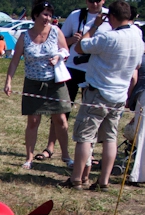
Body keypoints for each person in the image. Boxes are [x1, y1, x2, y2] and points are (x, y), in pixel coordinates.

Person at [66, 0, 143, 190]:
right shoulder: (137, 36)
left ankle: (76, 178)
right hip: (119, 94)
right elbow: (138, 65)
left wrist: (94, 26)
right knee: (110, 138)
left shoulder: (108, 37)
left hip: (99, 92)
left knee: (85, 136)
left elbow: (80, 47)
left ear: (112, 17)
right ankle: (104, 181)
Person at [38, 0, 111, 164]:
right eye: (90, 0)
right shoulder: (76, 15)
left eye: (97, 0)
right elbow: (60, 41)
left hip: (95, 70)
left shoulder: (109, 17)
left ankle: (90, 152)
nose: (94, 3)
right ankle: (50, 147)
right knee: (60, 109)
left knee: (91, 114)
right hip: (71, 67)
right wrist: (71, 40)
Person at [4, 1, 72, 170]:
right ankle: (29, 158)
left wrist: (59, 56)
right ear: (36, 15)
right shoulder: (24, 36)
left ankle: (66, 156)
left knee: (60, 119)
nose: (48, 18)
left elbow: (65, 50)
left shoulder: (56, 31)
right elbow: (14, 61)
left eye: (50, 15)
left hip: (55, 82)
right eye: (45, 14)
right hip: (33, 83)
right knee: (33, 121)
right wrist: (8, 81)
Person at [125, 51, 145, 185]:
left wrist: (128, 97)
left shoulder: (141, 58)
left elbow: (133, 79)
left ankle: (142, 175)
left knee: (144, 135)